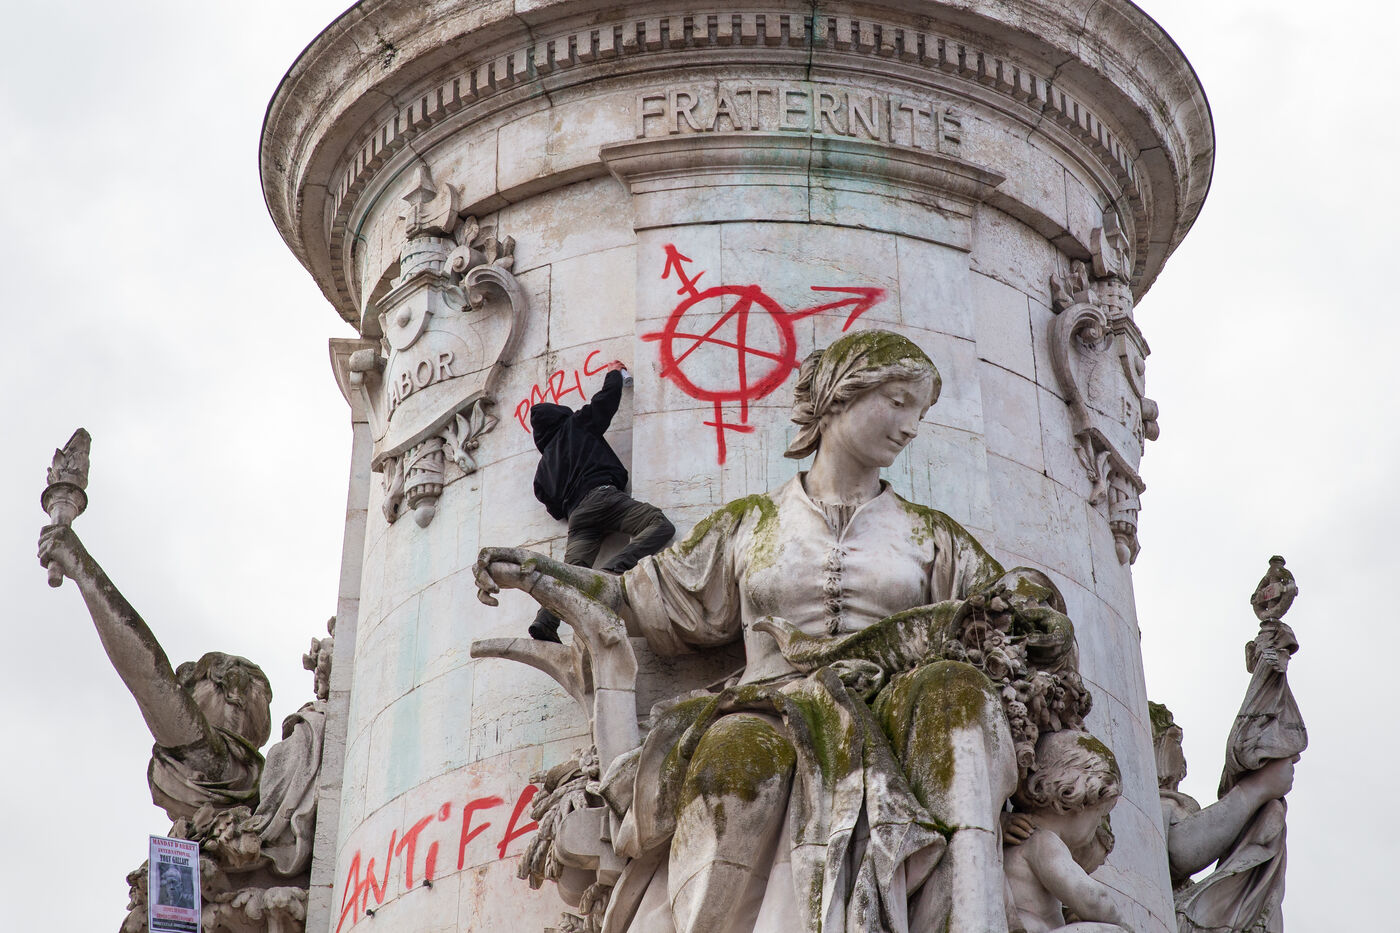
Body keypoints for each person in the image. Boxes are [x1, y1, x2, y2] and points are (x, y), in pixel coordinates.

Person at [475, 330, 1049, 932]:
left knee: (955, 693)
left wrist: (1036, 602)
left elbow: (1018, 619)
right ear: (839, 396)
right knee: (736, 756)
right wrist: (540, 573)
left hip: (896, 706)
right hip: (769, 705)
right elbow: (634, 598)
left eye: (920, 413)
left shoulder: (932, 537)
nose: (910, 427)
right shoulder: (752, 525)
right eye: (899, 402)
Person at [526, 360, 674, 642]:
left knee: (569, 573)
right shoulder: (575, 426)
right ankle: (612, 569)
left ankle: (545, 622)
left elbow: (553, 507)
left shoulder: (542, 471)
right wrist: (614, 373)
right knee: (659, 524)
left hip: (578, 518)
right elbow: (604, 402)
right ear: (561, 416)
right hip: (603, 497)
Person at [1002, 731, 1131, 933]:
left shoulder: (1023, 839)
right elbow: (1091, 898)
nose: (1098, 825)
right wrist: (1122, 923)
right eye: (1100, 814)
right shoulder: (1042, 841)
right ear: (1077, 800)